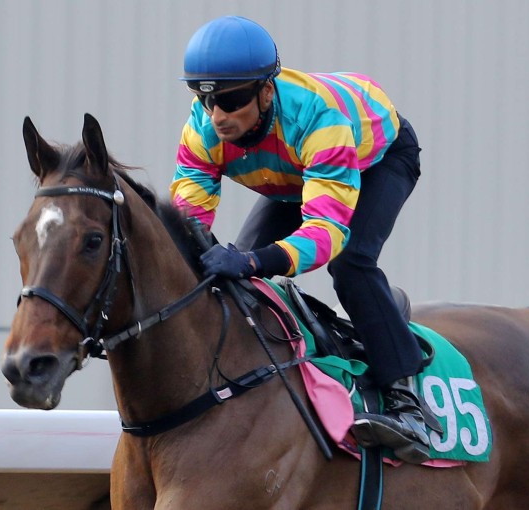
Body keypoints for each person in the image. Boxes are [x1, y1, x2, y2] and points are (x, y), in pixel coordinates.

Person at [171, 15, 438, 464]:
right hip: (294, 171)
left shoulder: (319, 118)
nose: (217, 115)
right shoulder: (202, 129)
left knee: (351, 263)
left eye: (232, 99)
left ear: (266, 90)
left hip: (375, 159)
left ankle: (404, 401)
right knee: (234, 273)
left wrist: (255, 261)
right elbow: (188, 223)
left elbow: (325, 233)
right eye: (205, 96)